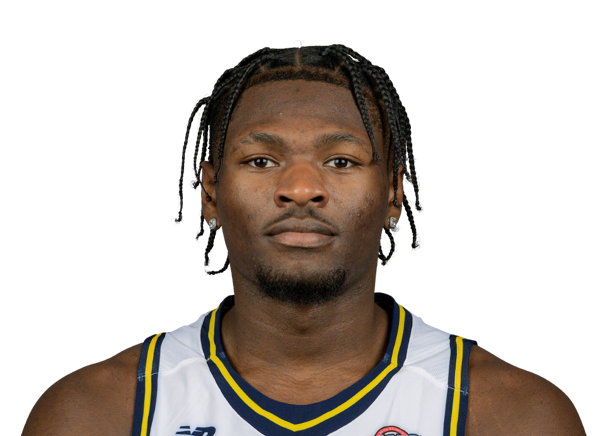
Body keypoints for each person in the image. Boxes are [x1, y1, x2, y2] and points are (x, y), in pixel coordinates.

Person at [22, 43, 585, 436]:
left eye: (340, 160)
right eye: (261, 160)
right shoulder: (96, 414)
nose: (299, 189)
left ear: (393, 193)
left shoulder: (511, 416)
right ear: (210, 193)